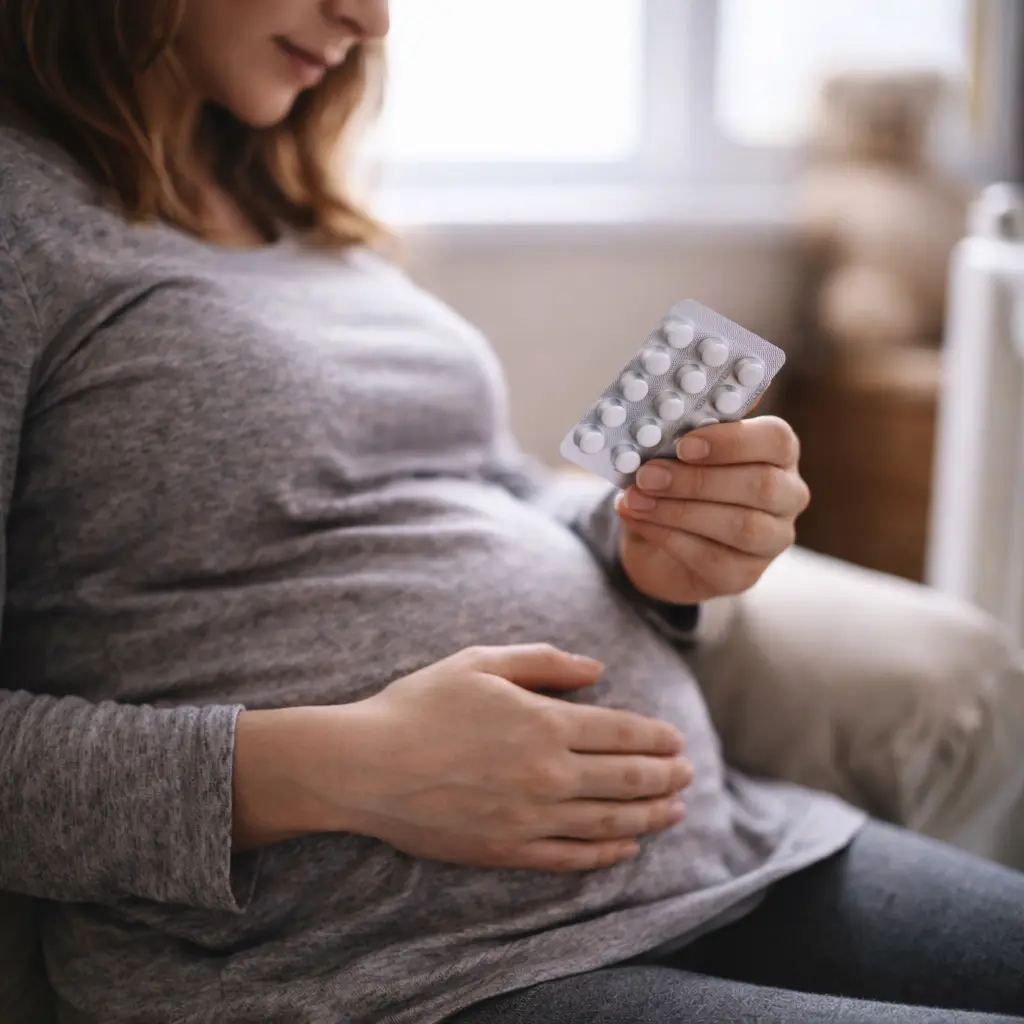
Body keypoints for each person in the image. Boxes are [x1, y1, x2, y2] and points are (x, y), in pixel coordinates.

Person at [0, 2, 1020, 1022]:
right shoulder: (22, 220)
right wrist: (340, 770)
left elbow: (476, 484)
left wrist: (644, 547)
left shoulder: (296, 217)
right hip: (400, 967)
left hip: (724, 852)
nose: (369, 17)